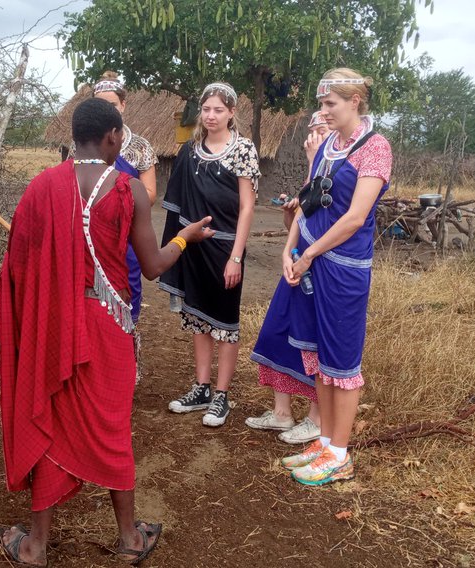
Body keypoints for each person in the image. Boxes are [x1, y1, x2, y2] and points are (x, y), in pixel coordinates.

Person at [0, 97, 213, 566]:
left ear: (75, 136)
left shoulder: (41, 188)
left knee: (49, 420)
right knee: (114, 430)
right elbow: (153, 267)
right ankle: (129, 538)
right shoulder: (128, 190)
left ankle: (35, 545)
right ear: (114, 137)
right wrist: (185, 237)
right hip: (108, 326)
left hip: (53, 326)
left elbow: (17, 267)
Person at [274, 68, 393, 485]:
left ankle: (340, 453)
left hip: (342, 269)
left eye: (330, 104)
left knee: (342, 360)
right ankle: (325, 442)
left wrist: (306, 254)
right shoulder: (328, 145)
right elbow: (308, 200)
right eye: (322, 103)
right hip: (312, 261)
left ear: (355, 102)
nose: (323, 111)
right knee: (321, 358)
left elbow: (355, 217)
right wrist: (291, 250)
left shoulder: (374, 148)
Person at [160, 82, 259, 428]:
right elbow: (177, 204)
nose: (212, 115)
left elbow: (247, 207)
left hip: (226, 247)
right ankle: (201, 387)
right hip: (195, 245)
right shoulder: (190, 151)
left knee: (226, 323)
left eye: (219, 109)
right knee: (197, 319)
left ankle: (221, 395)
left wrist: (236, 256)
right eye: (206, 109)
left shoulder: (243, 149)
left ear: (232, 113)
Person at [244, 110, 333, 445]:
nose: (314, 137)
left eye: (322, 130)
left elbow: (327, 220)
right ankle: (282, 413)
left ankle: (317, 417)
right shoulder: (316, 172)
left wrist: (314, 164)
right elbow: (299, 226)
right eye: (312, 131)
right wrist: (288, 218)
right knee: (277, 331)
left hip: (324, 270)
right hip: (297, 266)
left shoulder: (337, 173)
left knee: (313, 342)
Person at [92, 71, 160, 383]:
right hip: (92, 232)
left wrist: (116, 196)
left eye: (112, 104)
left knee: (127, 290)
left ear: (123, 105)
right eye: (100, 104)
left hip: (128, 233)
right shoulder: (84, 142)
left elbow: (150, 194)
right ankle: (95, 360)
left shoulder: (139, 147)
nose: (107, 110)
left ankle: (125, 360)